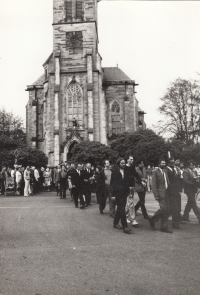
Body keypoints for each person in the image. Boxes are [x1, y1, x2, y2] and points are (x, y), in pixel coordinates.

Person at [149, 159, 172, 233]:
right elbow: (154, 184)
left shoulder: (165, 171)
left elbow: (167, 182)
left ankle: (164, 227)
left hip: (167, 192)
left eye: (164, 163)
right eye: (162, 163)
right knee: (163, 208)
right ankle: (152, 219)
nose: (164, 164)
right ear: (159, 164)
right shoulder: (155, 171)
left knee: (168, 209)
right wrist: (156, 195)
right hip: (160, 193)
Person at [110, 158, 132, 234]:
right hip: (117, 193)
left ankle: (115, 223)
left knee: (120, 208)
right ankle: (125, 226)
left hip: (124, 193)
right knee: (122, 209)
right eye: (122, 163)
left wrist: (128, 192)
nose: (123, 164)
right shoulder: (115, 172)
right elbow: (112, 184)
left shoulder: (126, 171)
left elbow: (127, 183)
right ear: (118, 164)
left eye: (124, 163)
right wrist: (112, 195)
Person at [166, 158, 181, 229]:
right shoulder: (167, 170)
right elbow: (167, 183)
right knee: (174, 208)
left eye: (173, 162)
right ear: (168, 163)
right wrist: (170, 192)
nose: (173, 164)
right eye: (172, 163)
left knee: (175, 208)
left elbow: (177, 180)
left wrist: (178, 190)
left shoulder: (174, 169)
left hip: (176, 191)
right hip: (171, 192)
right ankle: (175, 224)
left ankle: (155, 219)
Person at [125, 155, 140, 226]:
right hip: (127, 188)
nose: (132, 160)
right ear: (127, 160)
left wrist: (141, 181)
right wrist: (127, 187)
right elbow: (124, 178)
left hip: (132, 187)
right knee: (130, 203)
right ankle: (133, 219)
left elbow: (135, 174)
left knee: (128, 203)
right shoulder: (124, 167)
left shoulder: (132, 167)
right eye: (130, 159)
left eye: (132, 159)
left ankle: (125, 217)